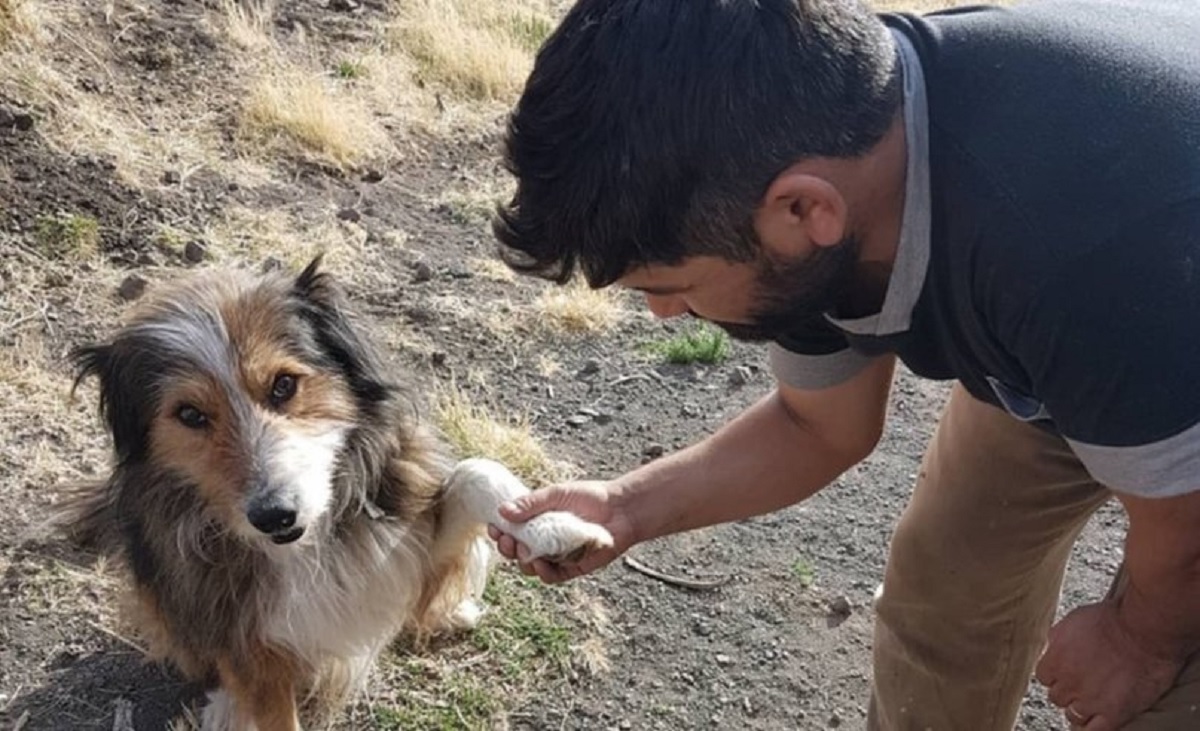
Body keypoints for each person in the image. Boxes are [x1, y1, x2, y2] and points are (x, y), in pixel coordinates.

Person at [485, 0, 1200, 728]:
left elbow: (1188, 522)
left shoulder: (1082, 250)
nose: (664, 315)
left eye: (670, 289)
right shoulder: (824, 146)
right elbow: (817, 426)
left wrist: (1139, 638)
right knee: (950, 582)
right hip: (1089, 343)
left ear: (802, 211)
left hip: (1154, 297)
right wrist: (623, 509)